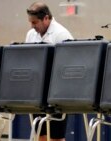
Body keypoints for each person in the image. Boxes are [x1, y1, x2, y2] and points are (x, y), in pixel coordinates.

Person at [25, 2, 73, 141]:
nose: (32, 26)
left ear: (46, 18)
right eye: (30, 22)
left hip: (57, 92)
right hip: (38, 91)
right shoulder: (31, 35)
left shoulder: (62, 34)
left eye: (35, 22)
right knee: (41, 134)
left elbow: (68, 66)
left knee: (56, 136)